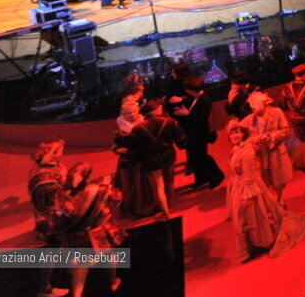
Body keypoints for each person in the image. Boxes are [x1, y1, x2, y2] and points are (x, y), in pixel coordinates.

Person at [225, 120, 305, 262]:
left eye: (237, 133)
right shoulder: (236, 149)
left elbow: (248, 176)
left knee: (251, 213)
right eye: (232, 134)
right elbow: (256, 138)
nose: (234, 136)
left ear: (242, 134)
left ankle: (263, 241)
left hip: (249, 186)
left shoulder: (246, 151)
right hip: (238, 185)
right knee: (244, 216)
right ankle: (252, 243)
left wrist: (247, 193)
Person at [60, 163, 125, 297]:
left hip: (79, 234)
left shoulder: (66, 197)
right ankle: (113, 282)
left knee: (82, 265)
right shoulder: (99, 189)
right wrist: (107, 187)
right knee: (108, 255)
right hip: (98, 232)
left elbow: (63, 217)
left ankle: (77, 294)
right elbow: (117, 198)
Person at [128, 99, 187, 219]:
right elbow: (181, 141)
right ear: (156, 111)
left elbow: (134, 149)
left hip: (150, 159)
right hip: (168, 156)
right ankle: (169, 205)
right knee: (169, 182)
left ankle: (165, 211)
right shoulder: (169, 122)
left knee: (158, 186)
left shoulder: (137, 129)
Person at [28, 137, 71, 297]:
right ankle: (45, 289)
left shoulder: (55, 167)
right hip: (52, 219)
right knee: (52, 252)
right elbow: (51, 200)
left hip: (56, 216)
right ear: (52, 153)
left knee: (60, 246)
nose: (62, 150)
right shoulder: (45, 177)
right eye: (58, 149)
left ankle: (65, 268)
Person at [241, 90, 294, 203]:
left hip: (276, 152)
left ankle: (280, 199)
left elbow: (286, 130)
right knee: (263, 179)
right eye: (252, 109)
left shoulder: (277, 112)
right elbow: (240, 132)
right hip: (260, 154)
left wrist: (273, 137)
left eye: (256, 108)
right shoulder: (249, 119)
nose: (254, 111)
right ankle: (270, 201)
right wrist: (254, 140)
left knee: (279, 179)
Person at [175, 76, 225, 189]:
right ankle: (201, 178)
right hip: (196, 132)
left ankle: (217, 176)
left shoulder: (204, 100)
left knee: (202, 156)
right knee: (196, 157)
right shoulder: (198, 97)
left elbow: (201, 119)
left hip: (200, 133)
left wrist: (186, 114)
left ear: (191, 90)